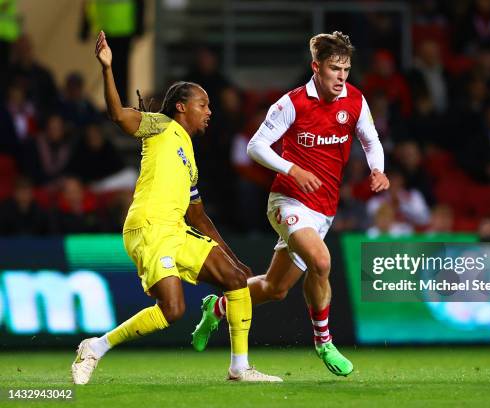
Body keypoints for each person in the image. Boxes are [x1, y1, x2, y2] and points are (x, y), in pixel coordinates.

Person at [71, 31, 282, 385]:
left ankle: (240, 368)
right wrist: (107, 68)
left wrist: (231, 257)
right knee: (172, 310)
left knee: (234, 279)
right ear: (182, 106)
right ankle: (96, 346)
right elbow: (119, 116)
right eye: (203, 104)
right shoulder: (160, 125)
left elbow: (197, 215)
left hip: (175, 229)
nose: (209, 111)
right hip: (149, 227)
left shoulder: (190, 161)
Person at [192, 31, 390, 377]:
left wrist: (378, 170)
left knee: (275, 288)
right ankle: (324, 341)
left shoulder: (355, 100)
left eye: (346, 69)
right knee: (322, 261)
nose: (341, 76)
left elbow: (371, 140)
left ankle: (218, 308)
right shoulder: (292, 103)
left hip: (324, 209)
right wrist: (293, 169)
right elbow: (256, 146)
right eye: (334, 68)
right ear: (317, 67)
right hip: (288, 200)